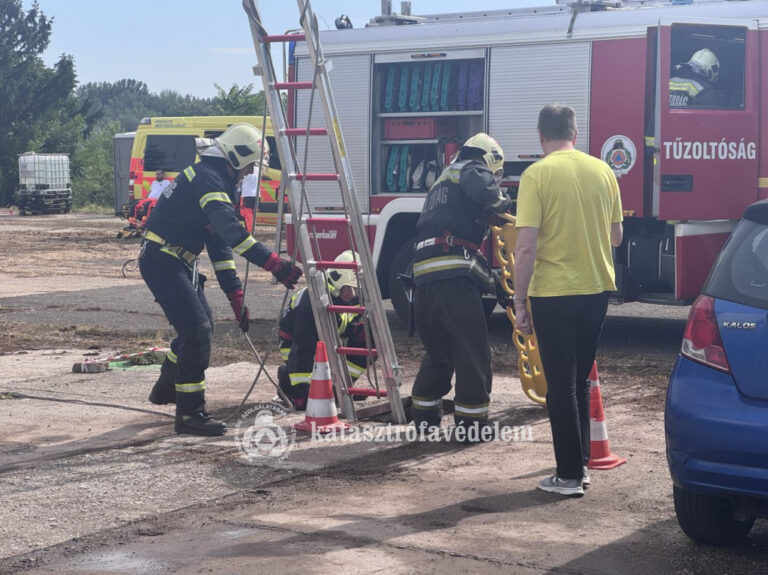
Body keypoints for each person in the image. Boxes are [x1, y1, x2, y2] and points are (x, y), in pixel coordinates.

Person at [139, 123, 303, 437]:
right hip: (163, 260)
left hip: (174, 260)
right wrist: (275, 265)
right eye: (250, 165)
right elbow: (234, 234)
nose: (249, 172)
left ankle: (166, 388)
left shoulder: (213, 179)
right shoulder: (208, 180)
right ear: (237, 157)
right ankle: (190, 414)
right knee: (196, 329)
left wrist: (236, 296)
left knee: (201, 326)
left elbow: (219, 245)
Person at [513, 104, 623, 496]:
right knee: (577, 380)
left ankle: (569, 476)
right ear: (575, 133)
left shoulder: (536, 175)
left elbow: (525, 248)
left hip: (553, 292)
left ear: (541, 135)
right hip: (596, 288)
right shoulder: (603, 171)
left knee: (559, 385)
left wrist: (519, 301)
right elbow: (616, 237)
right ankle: (581, 466)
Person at [410, 132, 511, 441]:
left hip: (424, 278)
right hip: (451, 275)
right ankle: (472, 427)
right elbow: (487, 192)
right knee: (472, 352)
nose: (494, 177)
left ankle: (425, 421)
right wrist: (502, 203)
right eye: (496, 172)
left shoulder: (442, 181)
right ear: (489, 158)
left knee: (439, 354)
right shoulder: (471, 167)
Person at [277, 250, 368, 411]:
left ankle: (342, 387)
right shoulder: (312, 301)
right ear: (336, 280)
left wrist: (356, 330)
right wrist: (302, 395)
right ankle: (291, 384)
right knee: (307, 371)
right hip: (297, 347)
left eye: (355, 287)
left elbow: (343, 321)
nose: (352, 293)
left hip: (328, 341)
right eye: (348, 288)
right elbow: (302, 348)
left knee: (369, 337)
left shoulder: (347, 295)